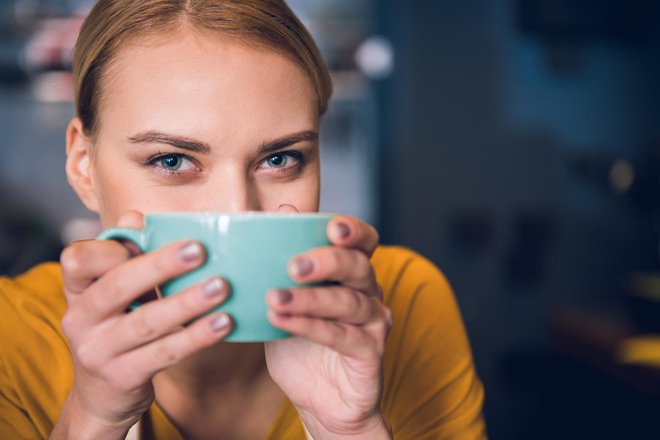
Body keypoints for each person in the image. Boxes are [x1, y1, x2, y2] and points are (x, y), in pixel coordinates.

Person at [0, 1, 487, 439]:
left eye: (280, 159)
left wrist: (348, 430)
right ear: (83, 166)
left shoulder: (402, 301)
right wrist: (93, 420)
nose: (238, 211)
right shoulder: (12, 338)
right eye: (171, 160)